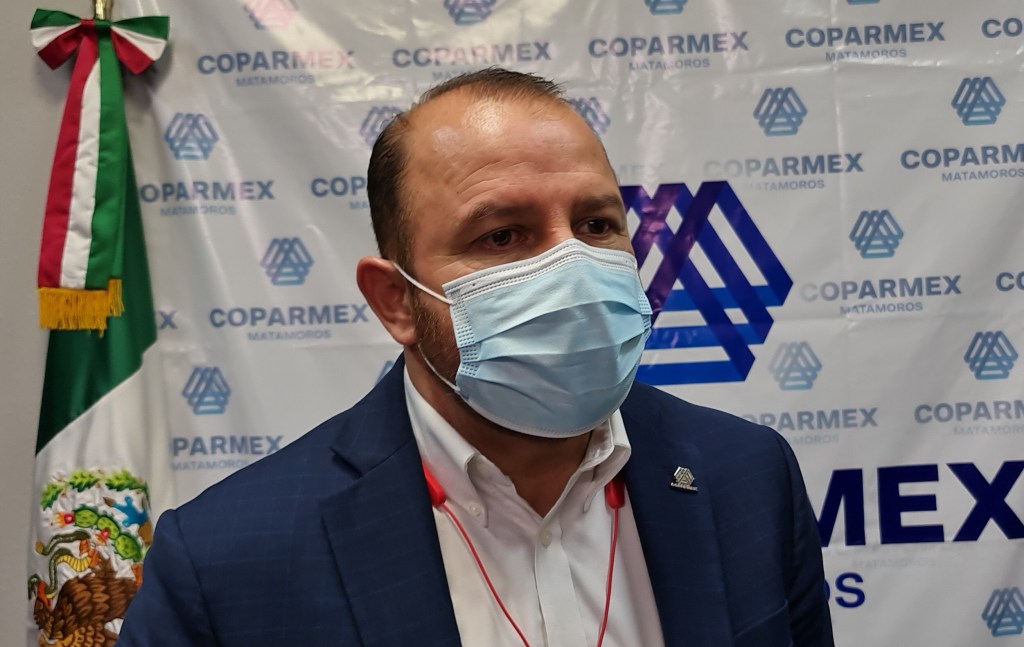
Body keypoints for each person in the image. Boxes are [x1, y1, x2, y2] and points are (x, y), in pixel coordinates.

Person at [117, 68, 834, 647]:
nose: (573, 267)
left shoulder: (748, 478)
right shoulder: (227, 562)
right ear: (396, 300)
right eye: (503, 236)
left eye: (596, 224)